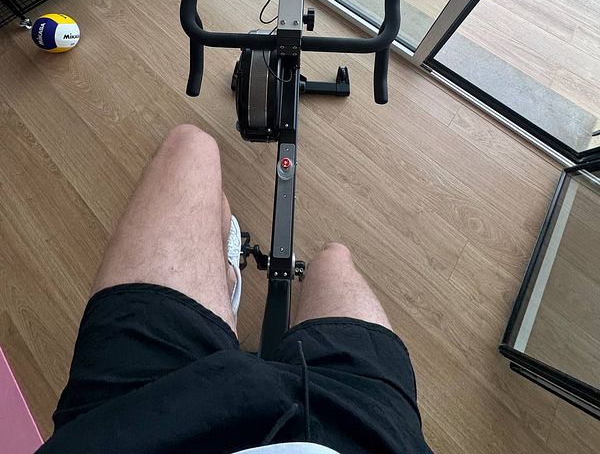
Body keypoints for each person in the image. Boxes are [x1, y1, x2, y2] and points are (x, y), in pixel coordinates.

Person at [39, 125, 433, 454]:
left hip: (137, 421)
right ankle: (233, 281)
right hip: (363, 428)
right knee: (333, 260)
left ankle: (224, 279)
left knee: (191, 145)